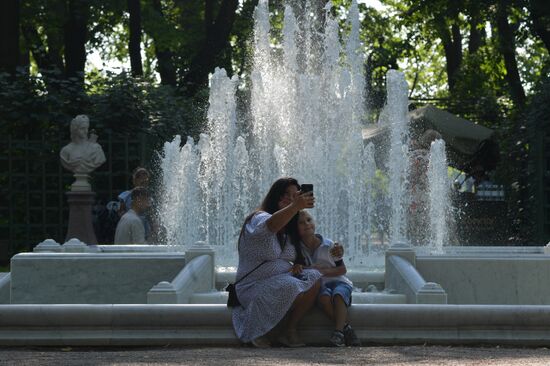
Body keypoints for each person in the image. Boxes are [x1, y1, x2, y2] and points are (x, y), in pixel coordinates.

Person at [232, 177, 321, 348]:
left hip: (278, 282)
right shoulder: (258, 218)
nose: (290, 198)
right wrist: (295, 206)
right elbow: (270, 225)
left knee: (315, 276)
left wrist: (296, 265)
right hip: (252, 286)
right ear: (275, 195)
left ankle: (289, 330)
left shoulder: (288, 228)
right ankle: (259, 330)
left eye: (295, 195)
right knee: (289, 284)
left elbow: (299, 251)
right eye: (286, 194)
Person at [288, 210, 361, 347]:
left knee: (338, 294)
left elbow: (342, 269)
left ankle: (339, 332)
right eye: (301, 223)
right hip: (321, 287)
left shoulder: (330, 245)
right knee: (324, 298)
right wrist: (298, 268)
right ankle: (346, 328)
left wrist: (321, 271)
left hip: (339, 282)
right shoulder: (296, 249)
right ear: (295, 228)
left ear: (314, 223)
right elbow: (299, 269)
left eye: (309, 220)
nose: (307, 224)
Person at [408, 129, 442, 244]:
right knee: (427, 230)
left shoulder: (412, 156)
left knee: (414, 231)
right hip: (427, 198)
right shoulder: (432, 157)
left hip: (412, 197)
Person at [118, 167, 152, 241]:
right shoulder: (126, 196)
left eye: (146, 182)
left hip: (145, 226)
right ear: (134, 181)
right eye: (142, 182)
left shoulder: (149, 197)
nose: (144, 184)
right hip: (131, 224)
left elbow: (152, 215)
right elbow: (121, 212)